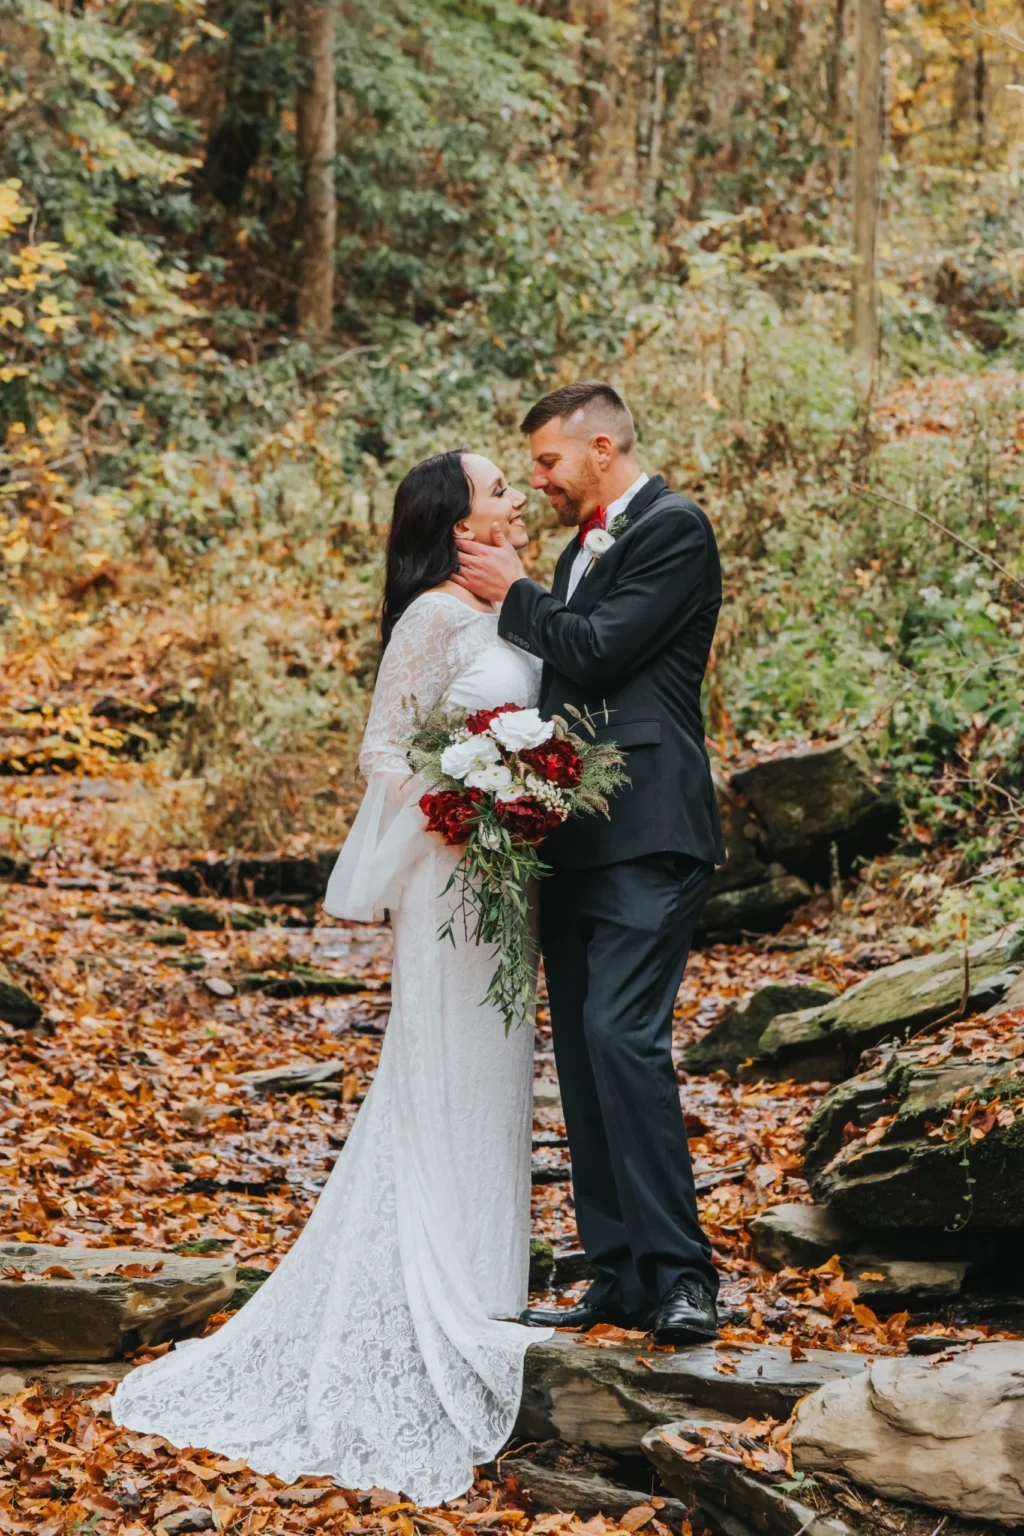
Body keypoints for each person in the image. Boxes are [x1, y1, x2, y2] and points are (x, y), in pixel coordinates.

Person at [110, 451, 552, 1506]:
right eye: (499, 489)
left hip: (511, 882)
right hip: (453, 880)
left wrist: (531, 789)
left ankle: (491, 1280)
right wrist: (469, 809)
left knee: (496, 1076)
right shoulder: (434, 619)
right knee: (443, 1066)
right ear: (455, 524)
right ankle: (434, 1287)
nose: (517, 500)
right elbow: (385, 753)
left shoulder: (515, 610)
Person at [454, 381, 725, 1345]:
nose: (540, 480)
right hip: (568, 838)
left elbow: (603, 651)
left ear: (601, 447)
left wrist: (512, 595)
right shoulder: (577, 552)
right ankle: (619, 1274)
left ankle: (684, 1275)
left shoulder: (674, 529)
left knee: (621, 1036)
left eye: (547, 462)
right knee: (578, 1049)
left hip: (651, 829)